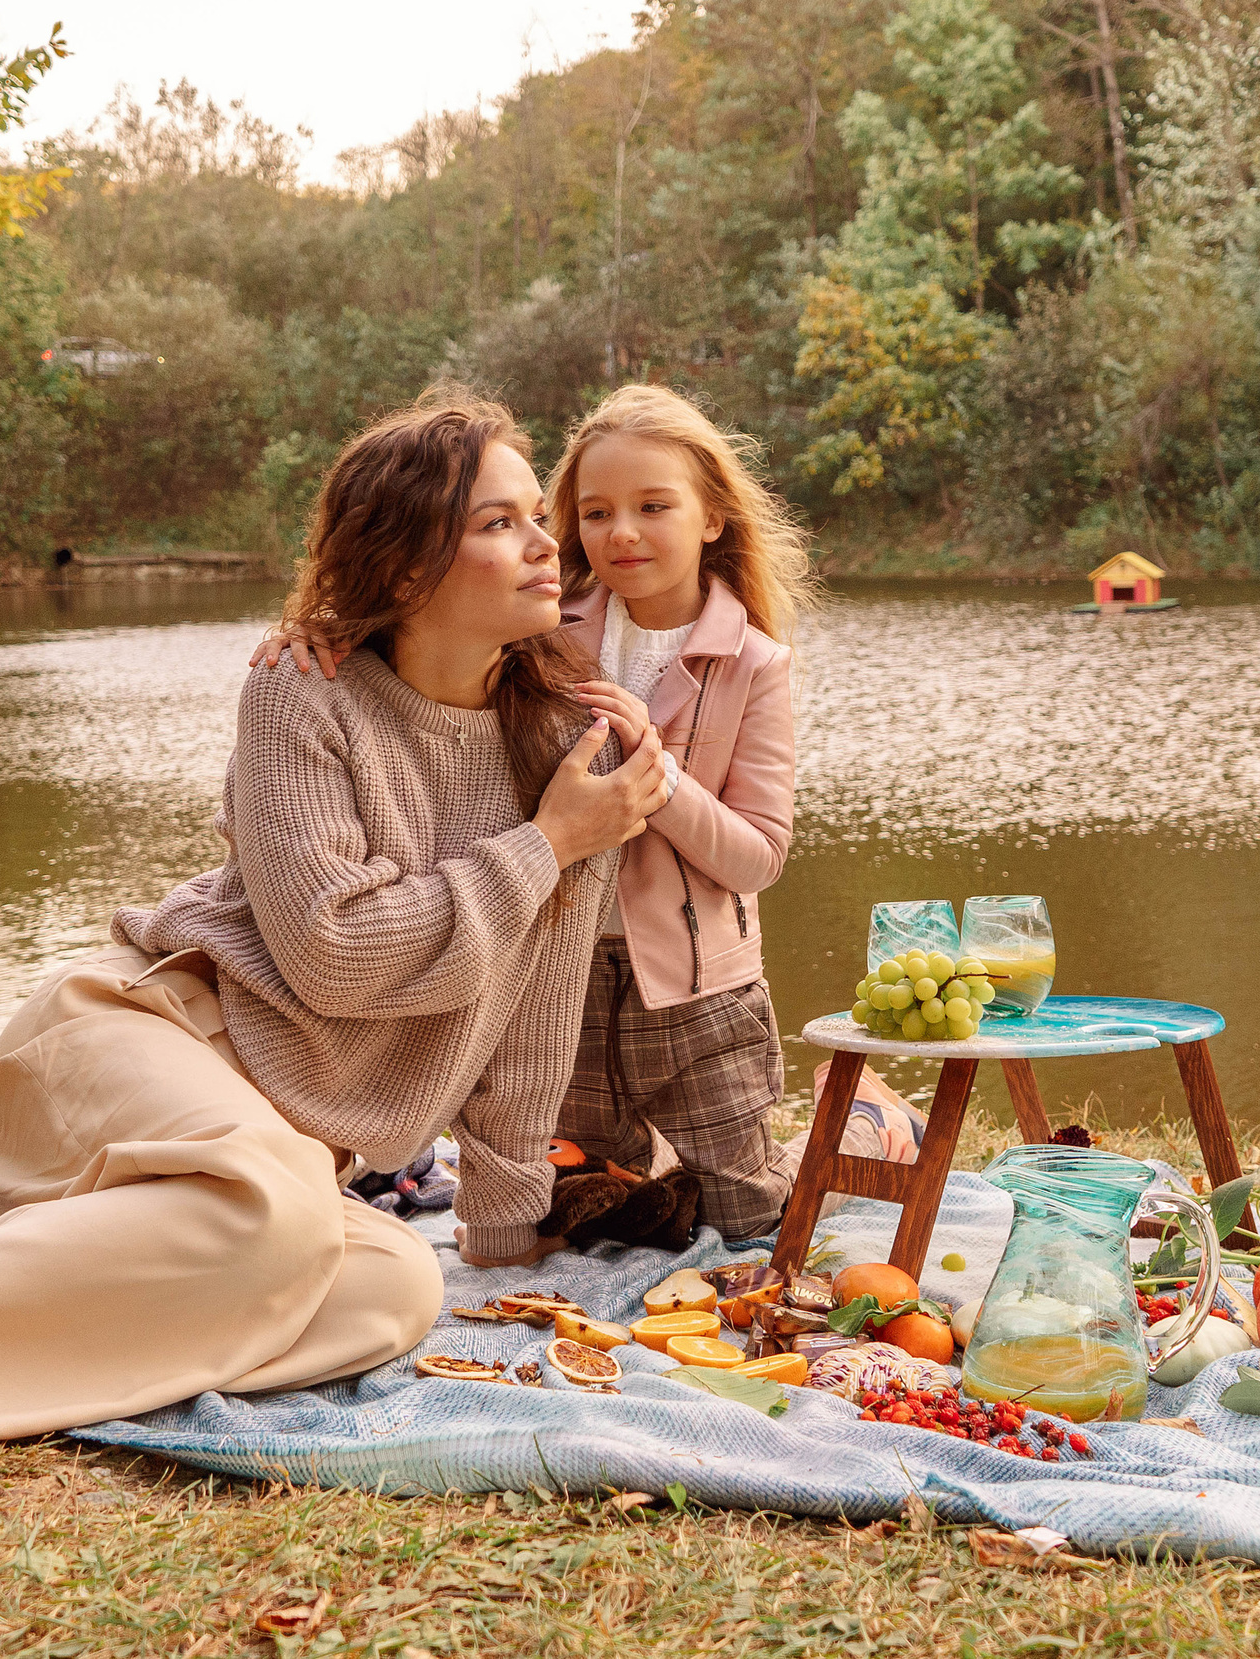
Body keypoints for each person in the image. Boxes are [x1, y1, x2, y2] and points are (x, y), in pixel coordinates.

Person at [0, 390, 672, 1520]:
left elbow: (535, 1006)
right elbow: (332, 954)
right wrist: (544, 845)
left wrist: (504, 1222)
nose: (545, 544)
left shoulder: (572, 745)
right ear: (407, 564)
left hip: (229, 1189)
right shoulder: (303, 692)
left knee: (392, 1288)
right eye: (498, 522)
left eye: (538, 517)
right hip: (129, 1055)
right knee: (276, 1211)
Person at [261, 385, 919, 1240]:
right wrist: (315, 628)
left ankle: (868, 1122)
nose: (622, 533)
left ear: (712, 517)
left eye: (654, 506)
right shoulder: (541, 625)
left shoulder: (753, 662)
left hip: (694, 989)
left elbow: (757, 857)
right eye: (596, 511)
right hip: (554, 973)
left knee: (752, 1212)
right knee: (585, 1204)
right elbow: (423, 628)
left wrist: (656, 778)